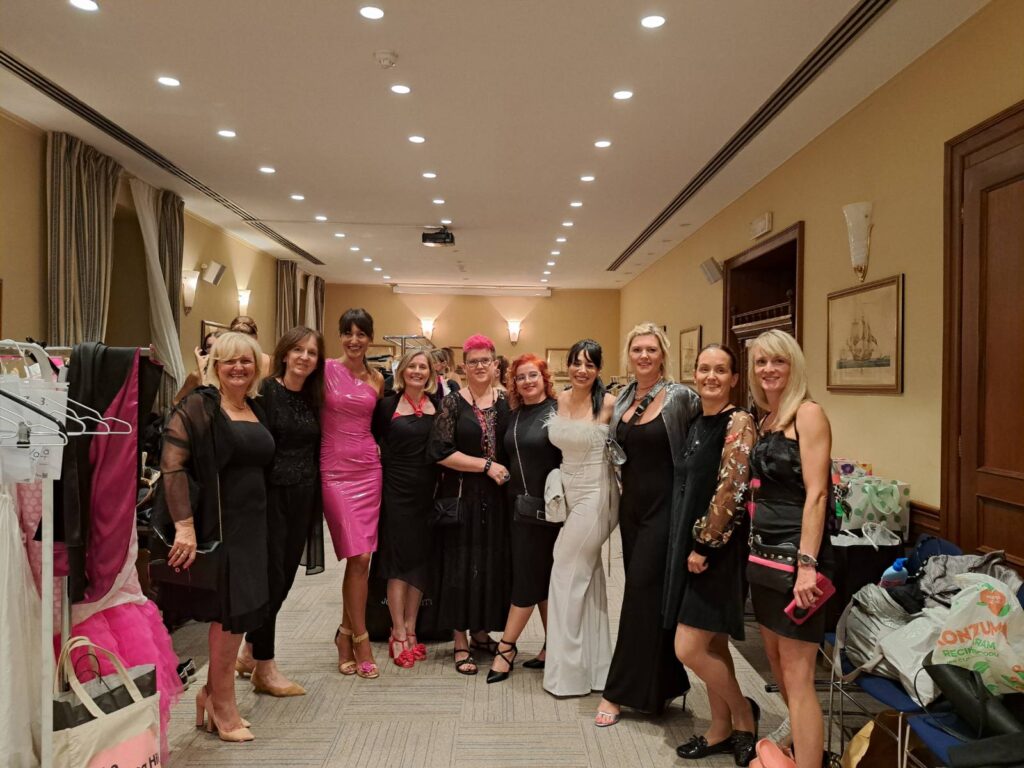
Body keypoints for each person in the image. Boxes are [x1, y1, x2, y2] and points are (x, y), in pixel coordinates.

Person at [159, 331, 273, 742]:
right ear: (214, 366)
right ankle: (222, 702)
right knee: (228, 615)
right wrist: (184, 526)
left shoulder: (254, 407)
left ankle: (211, 694)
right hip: (220, 526)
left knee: (240, 614)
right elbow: (172, 464)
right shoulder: (200, 404)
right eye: (229, 361)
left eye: (246, 360)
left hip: (253, 525)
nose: (238, 368)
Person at [596, 322, 700, 726]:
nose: (643, 356)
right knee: (651, 598)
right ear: (629, 355)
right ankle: (662, 685)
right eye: (637, 349)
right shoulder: (623, 397)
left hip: (666, 509)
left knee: (638, 594)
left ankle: (617, 692)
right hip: (632, 510)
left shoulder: (680, 398)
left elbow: (700, 449)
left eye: (651, 350)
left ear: (663, 355)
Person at [666, 344, 759, 766]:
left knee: (688, 647)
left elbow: (733, 487)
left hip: (717, 550)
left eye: (720, 370)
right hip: (693, 547)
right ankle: (721, 729)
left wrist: (705, 544)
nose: (711, 377)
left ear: (734, 378)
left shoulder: (738, 421)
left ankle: (744, 715)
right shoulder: (697, 421)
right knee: (714, 645)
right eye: (704, 369)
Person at [746, 330, 834, 768]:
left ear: (793, 365)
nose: (768, 370)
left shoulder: (808, 413)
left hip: (800, 560)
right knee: (778, 665)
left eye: (777, 361)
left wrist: (807, 566)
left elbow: (817, 494)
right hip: (763, 557)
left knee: (799, 678)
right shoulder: (766, 418)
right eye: (761, 362)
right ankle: (801, 750)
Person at [235, 326, 326, 696]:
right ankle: (265, 667)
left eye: (312, 352)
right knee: (271, 579)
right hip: (271, 497)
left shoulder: (313, 397)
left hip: (304, 497)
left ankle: (249, 651)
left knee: (285, 578)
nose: (304, 357)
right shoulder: (266, 391)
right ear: (285, 353)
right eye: (298, 350)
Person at [427, 334, 513, 675]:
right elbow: (439, 451)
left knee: (490, 563)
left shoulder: (507, 401)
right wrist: (486, 465)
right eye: (473, 361)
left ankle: (480, 632)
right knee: (460, 565)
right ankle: (460, 640)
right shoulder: (452, 403)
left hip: (498, 499)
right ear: (464, 367)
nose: (479, 366)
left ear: (495, 364)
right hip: (463, 495)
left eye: (485, 360)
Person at [544, 339, 619, 697]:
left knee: (565, 568)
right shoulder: (559, 399)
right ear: (568, 365)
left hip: (597, 493)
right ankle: (595, 669)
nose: (582, 370)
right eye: (577, 363)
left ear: (599, 369)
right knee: (587, 577)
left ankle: (567, 674)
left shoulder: (608, 403)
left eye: (590, 364)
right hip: (569, 493)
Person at [487, 354, 561, 683]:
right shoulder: (514, 415)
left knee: (526, 581)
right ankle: (552, 646)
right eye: (520, 377)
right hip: (516, 508)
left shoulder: (558, 412)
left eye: (533, 375)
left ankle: (506, 647)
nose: (527, 381)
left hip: (546, 512)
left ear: (545, 378)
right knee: (539, 578)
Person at [322, 309, 385, 679]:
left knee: (362, 560)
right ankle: (361, 639)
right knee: (357, 554)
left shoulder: (377, 378)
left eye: (361, 334)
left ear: (370, 338)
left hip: (368, 470)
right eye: (348, 333)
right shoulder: (325, 370)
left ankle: (345, 635)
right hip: (333, 471)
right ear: (340, 336)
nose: (354, 340)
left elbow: (378, 424)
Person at [371, 349, 440, 668]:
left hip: (428, 492)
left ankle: (412, 627)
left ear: (430, 373)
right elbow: (370, 442)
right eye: (412, 366)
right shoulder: (386, 406)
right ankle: (397, 631)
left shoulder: (438, 406)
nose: (417, 371)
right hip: (395, 492)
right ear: (402, 371)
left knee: (420, 561)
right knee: (397, 562)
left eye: (423, 367)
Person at [173, 329, 219, 404]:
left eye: (217, 346)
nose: (212, 349)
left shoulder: (228, 374)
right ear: (205, 350)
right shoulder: (196, 375)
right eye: (209, 346)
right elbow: (176, 401)